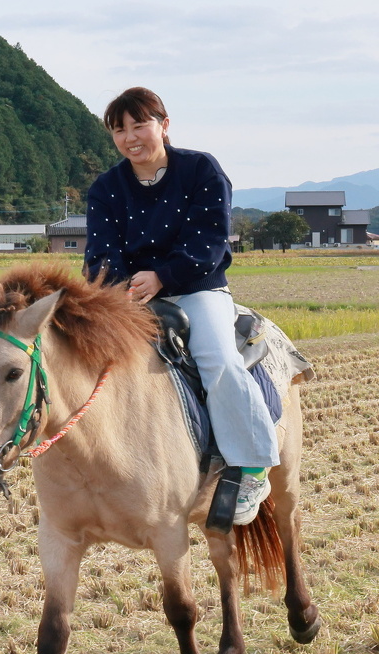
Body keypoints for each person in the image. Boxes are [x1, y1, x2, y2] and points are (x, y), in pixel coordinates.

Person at [84, 86, 278, 526]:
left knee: (217, 360)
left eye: (139, 125)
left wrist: (163, 276)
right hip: (129, 296)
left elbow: (210, 239)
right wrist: (120, 287)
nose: (130, 137)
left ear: (164, 125)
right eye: (119, 130)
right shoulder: (106, 188)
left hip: (196, 287)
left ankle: (252, 466)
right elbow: (100, 253)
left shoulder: (200, 169)